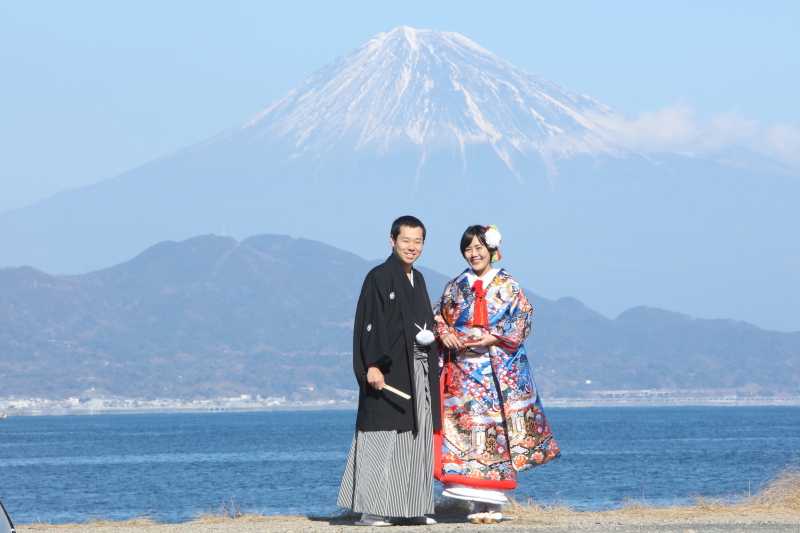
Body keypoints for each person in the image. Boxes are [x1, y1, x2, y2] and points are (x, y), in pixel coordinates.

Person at [433, 225, 560, 524]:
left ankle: (495, 506)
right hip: (462, 373)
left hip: (497, 372)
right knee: (466, 435)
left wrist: (494, 337)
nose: (473, 254)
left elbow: (523, 317)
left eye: (479, 248)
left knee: (495, 435)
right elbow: (438, 314)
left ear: (491, 249)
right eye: (468, 249)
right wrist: (444, 333)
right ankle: (476, 504)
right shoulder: (455, 286)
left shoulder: (508, 284)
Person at [337, 215, 441, 527]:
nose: (412, 247)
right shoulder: (378, 277)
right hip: (388, 366)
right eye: (406, 240)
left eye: (418, 241)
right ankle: (373, 509)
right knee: (382, 438)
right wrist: (371, 364)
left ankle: (411, 507)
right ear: (392, 240)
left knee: (416, 435)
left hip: (418, 368)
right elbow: (370, 323)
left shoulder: (418, 279)